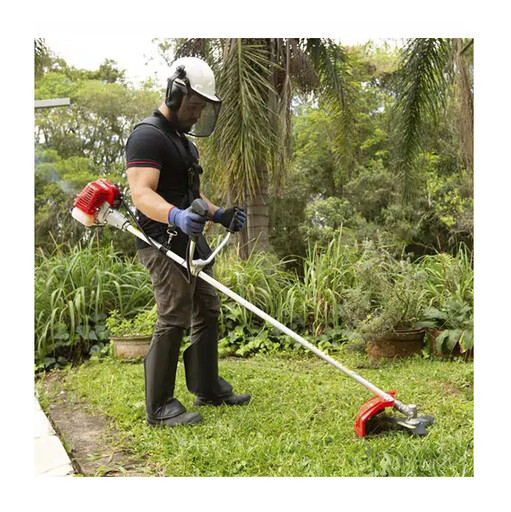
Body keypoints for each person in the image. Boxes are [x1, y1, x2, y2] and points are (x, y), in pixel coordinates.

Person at [125, 56, 250, 428]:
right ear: (175, 94)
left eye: (202, 108)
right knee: (174, 311)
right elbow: (141, 193)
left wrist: (219, 214)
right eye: (194, 105)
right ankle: (159, 406)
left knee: (208, 307)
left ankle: (207, 387)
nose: (197, 114)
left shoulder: (184, 144)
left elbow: (193, 197)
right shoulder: (148, 135)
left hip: (190, 239)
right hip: (160, 240)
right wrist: (176, 217)